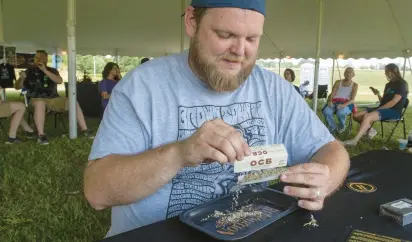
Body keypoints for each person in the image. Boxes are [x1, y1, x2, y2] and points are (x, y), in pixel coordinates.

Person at [84, 0, 350, 237]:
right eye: (225, 35)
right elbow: (97, 191)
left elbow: (332, 150)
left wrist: (326, 178)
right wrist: (179, 153)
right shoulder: (142, 87)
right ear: (192, 22)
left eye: (252, 39)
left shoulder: (274, 90)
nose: (240, 51)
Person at [15, 50, 94, 145]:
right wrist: (21, 78)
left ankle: (84, 129)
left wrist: (44, 70)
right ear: (35, 59)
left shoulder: (52, 70)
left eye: (42, 57)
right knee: (40, 103)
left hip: (54, 99)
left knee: (72, 101)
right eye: (37, 57)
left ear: (46, 59)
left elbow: (59, 81)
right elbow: (17, 87)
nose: (40, 59)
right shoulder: (28, 71)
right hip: (36, 99)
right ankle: (41, 135)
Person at [344, 63, 408, 146]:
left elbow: (393, 102)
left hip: (394, 111)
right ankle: (370, 130)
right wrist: (377, 94)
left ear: (394, 71)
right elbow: (383, 102)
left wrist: (377, 110)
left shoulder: (402, 84)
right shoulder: (388, 85)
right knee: (356, 115)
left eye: (387, 71)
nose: (385, 73)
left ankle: (354, 141)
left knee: (368, 116)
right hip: (383, 108)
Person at [322, 67, 358, 133]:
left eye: (350, 72)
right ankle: (333, 127)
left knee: (341, 112)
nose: (348, 74)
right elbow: (332, 94)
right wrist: (330, 101)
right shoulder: (338, 82)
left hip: (346, 103)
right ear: (344, 73)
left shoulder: (355, 85)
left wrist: (343, 105)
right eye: (347, 72)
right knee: (326, 111)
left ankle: (342, 126)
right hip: (334, 101)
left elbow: (352, 99)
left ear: (353, 75)